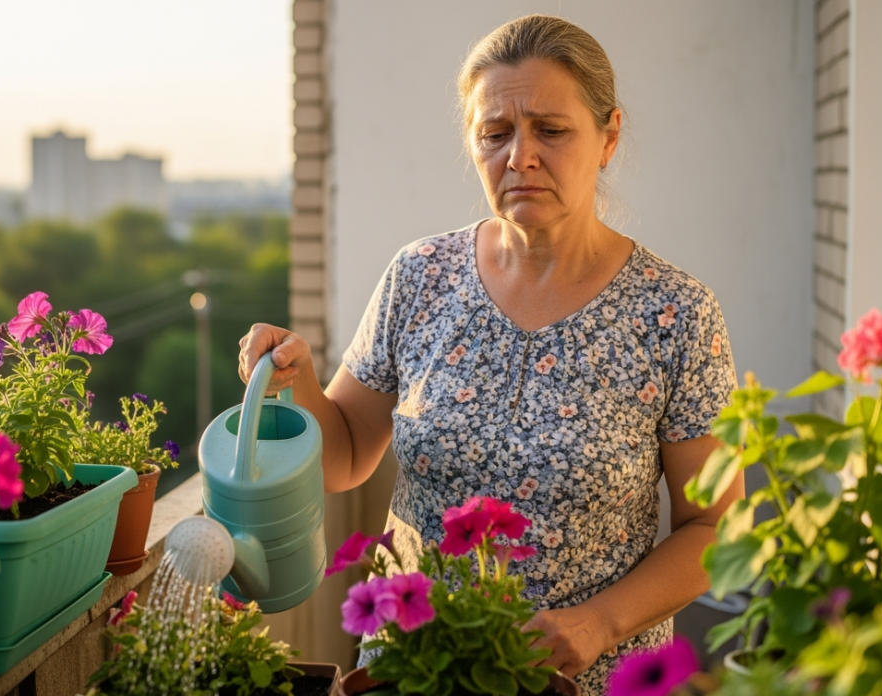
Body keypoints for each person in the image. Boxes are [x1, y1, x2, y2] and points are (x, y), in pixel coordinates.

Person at [237, 14, 743, 692]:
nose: (520, 156)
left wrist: (598, 623)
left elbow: (714, 527)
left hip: (591, 675)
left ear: (608, 137)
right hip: (415, 670)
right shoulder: (419, 277)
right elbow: (346, 456)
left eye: (551, 130)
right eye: (495, 132)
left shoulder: (675, 313)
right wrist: (294, 379)